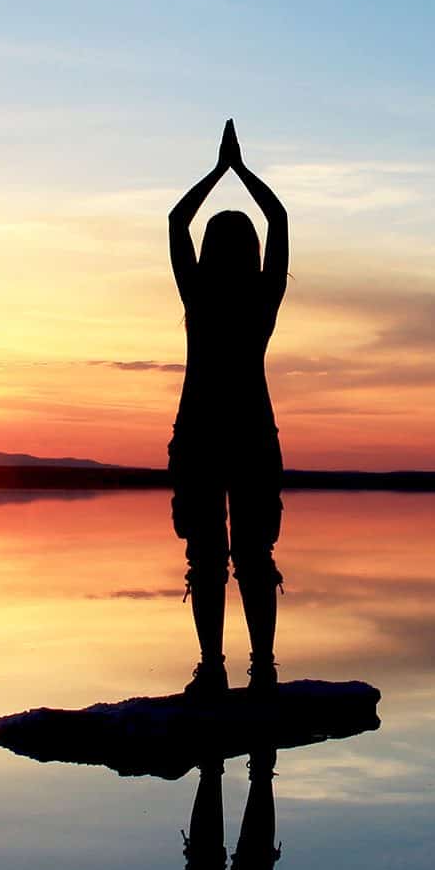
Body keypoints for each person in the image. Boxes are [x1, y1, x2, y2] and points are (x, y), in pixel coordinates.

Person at [167, 119, 288, 697]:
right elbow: (280, 221)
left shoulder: (201, 296)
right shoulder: (259, 299)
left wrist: (220, 172)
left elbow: (174, 223)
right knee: (245, 556)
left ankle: (221, 668)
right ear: (252, 252)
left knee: (213, 557)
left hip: (205, 435)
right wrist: (241, 172)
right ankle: (253, 669)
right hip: (243, 436)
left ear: (211, 252)